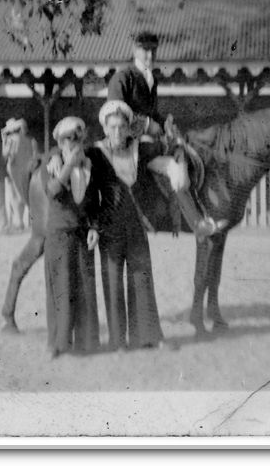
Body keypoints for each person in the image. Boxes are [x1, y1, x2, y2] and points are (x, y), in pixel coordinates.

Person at [107, 30, 223, 239]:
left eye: (153, 51)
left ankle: (198, 219)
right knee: (173, 163)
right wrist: (147, 125)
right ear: (135, 49)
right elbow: (114, 113)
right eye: (145, 51)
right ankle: (194, 222)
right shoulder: (123, 77)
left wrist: (164, 122)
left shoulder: (151, 78)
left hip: (147, 145)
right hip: (126, 146)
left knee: (182, 152)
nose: (150, 56)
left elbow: (152, 113)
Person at [89, 100, 165, 351]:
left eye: (123, 127)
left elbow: (164, 147)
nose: (118, 132)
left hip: (135, 227)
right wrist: (54, 160)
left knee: (142, 279)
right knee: (113, 284)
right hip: (109, 229)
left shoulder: (139, 150)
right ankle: (118, 342)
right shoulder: (96, 153)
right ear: (105, 128)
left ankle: (147, 337)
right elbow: (66, 152)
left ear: (129, 128)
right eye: (113, 127)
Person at [42, 116, 101, 358]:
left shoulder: (88, 166)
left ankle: (86, 343)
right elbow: (53, 190)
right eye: (67, 139)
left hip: (82, 233)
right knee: (60, 289)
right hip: (58, 234)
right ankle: (57, 344)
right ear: (59, 142)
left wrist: (94, 227)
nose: (72, 143)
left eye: (76, 139)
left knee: (85, 288)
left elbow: (95, 201)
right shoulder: (51, 163)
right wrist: (66, 164)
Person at [2, 117, 38, 231]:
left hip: (13, 171)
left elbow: (5, 155)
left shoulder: (11, 140)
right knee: (23, 196)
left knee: (14, 196)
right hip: (26, 171)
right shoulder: (31, 141)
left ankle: (18, 221)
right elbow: (35, 157)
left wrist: (4, 142)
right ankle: (23, 221)